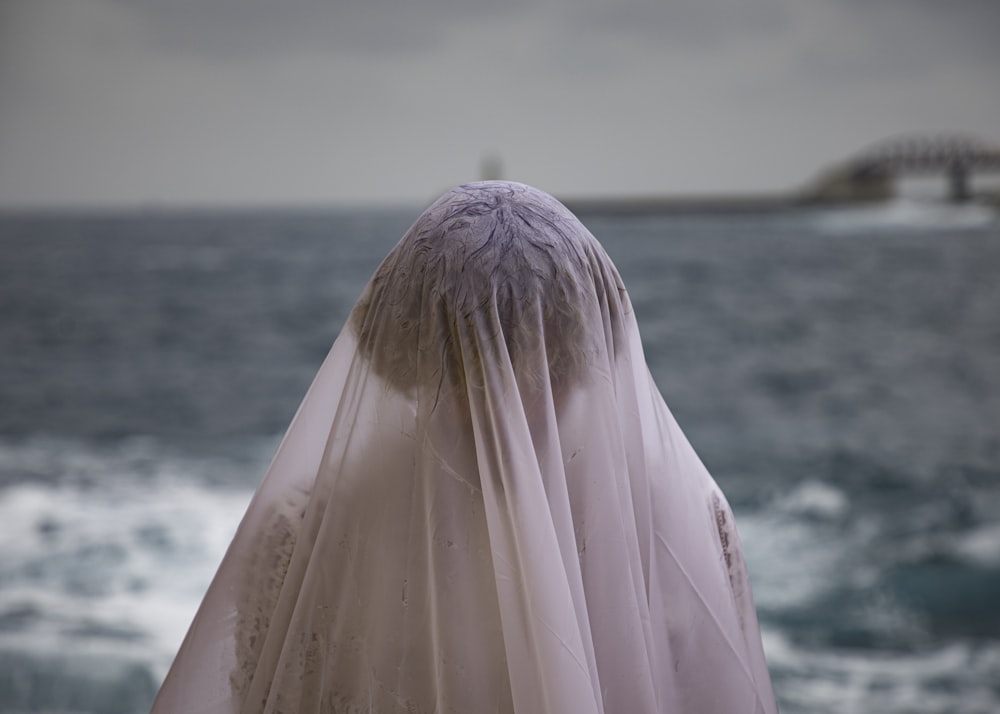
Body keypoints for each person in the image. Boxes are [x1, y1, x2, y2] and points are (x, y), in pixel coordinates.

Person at [151, 181, 778, 713]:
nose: (507, 400)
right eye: (481, 367)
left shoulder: (304, 532)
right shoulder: (696, 521)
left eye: (539, 364)